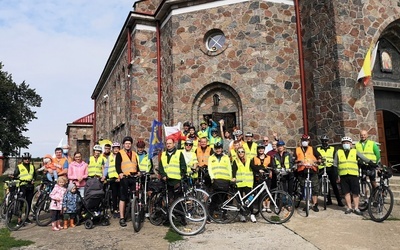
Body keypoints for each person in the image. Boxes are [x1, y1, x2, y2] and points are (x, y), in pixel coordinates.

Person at [334, 136, 376, 215]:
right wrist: (336, 176)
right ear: (342, 144)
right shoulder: (338, 152)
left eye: (348, 143)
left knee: (355, 192)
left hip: (354, 175)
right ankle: (349, 207)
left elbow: (364, 158)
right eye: (344, 143)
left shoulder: (355, 151)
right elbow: (335, 165)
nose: (346, 144)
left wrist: (372, 163)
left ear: (351, 144)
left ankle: (356, 208)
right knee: (346, 192)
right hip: (343, 175)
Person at [293, 134, 322, 212]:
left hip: (312, 170)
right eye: (303, 140)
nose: (304, 142)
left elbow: (319, 157)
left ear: (308, 141)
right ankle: (307, 203)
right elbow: (294, 159)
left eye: (306, 141)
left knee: (315, 187)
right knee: (304, 187)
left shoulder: (313, 148)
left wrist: (319, 160)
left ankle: (315, 204)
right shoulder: (297, 149)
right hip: (302, 170)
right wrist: (298, 161)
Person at [115, 136, 139, 227]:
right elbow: (117, 165)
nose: (128, 145)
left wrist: (139, 172)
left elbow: (136, 164)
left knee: (135, 195)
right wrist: (120, 173)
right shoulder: (120, 153)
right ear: (123, 144)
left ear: (131, 144)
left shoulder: (134, 153)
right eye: (126, 143)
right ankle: (122, 218)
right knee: (123, 197)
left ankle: (134, 213)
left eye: (129, 143)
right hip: (124, 177)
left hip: (133, 177)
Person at [316, 135, 344, 207]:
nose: (324, 142)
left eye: (325, 141)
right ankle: (328, 200)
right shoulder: (318, 149)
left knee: (334, 184)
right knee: (320, 183)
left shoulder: (332, 149)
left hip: (330, 168)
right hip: (322, 168)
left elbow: (335, 159)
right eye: (323, 141)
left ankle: (339, 201)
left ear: (328, 141)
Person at [207, 142, 233, 220]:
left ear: (222, 149)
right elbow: (210, 168)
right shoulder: (211, 157)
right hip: (216, 180)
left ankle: (224, 215)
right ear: (214, 149)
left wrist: (230, 178)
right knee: (214, 198)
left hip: (225, 180)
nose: (218, 150)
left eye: (219, 148)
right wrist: (212, 177)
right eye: (216, 148)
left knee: (224, 199)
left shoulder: (226, 157)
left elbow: (229, 168)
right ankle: (210, 215)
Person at [232, 147, 256, 223]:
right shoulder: (236, 161)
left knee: (250, 200)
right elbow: (234, 170)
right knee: (240, 201)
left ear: (244, 152)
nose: (241, 153)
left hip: (248, 183)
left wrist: (260, 169)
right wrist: (233, 177)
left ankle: (252, 214)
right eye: (239, 152)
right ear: (237, 153)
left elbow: (253, 167)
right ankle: (241, 215)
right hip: (239, 182)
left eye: (242, 151)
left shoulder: (249, 160)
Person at [12, 152, 36, 224]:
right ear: (23, 159)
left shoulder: (32, 166)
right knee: (21, 202)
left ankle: (26, 217)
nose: (27, 160)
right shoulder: (19, 166)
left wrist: (33, 180)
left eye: (28, 159)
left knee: (28, 202)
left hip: (30, 186)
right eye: (25, 159)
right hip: (23, 186)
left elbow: (34, 175)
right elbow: (15, 175)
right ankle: (19, 219)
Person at [250, 144, 272, 212]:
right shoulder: (254, 158)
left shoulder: (269, 157)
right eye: (259, 148)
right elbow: (252, 166)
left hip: (267, 177)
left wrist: (269, 171)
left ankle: (267, 206)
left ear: (264, 149)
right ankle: (262, 206)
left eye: (262, 148)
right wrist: (259, 169)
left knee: (267, 191)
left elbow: (272, 165)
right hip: (258, 178)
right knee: (259, 192)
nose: (260, 150)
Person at [104, 142, 121, 218]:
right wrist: (104, 176)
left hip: (119, 178)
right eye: (115, 148)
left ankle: (120, 209)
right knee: (114, 195)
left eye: (117, 148)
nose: (116, 150)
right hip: (112, 178)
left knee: (120, 195)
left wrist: (119, 177)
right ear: (112, 149)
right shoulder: (110, 157)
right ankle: (114, 209)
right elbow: (107, 167)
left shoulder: (121, 156)